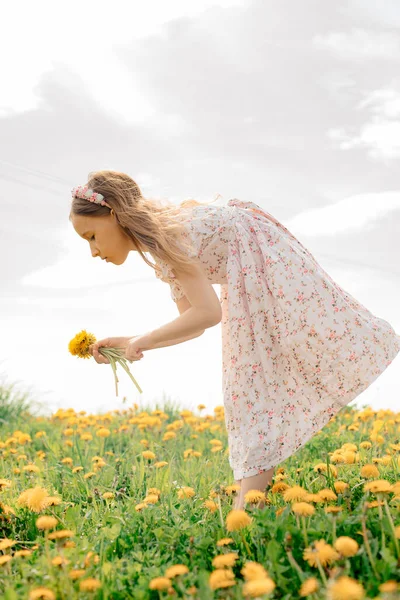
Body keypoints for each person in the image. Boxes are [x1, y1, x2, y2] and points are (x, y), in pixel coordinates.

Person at [70, 170, 400, 510]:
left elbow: (208, 313)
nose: (94, 251)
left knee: (253, 383)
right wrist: (130, 341)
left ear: (114, 214)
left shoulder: (166, 235)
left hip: (265, 267)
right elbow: (193, 321)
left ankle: (248, 507)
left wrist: (143, 339)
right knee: (252, 385)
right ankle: (249, 502)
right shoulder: (161, 241)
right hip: (253, 271)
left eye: (92, 236)